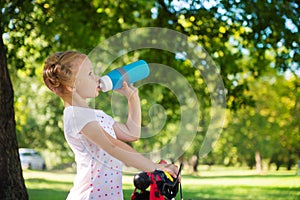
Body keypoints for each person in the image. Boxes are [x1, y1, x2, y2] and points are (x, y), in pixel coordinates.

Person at [42, 51, 179, 200]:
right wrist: (155, 168)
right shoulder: (76, 116)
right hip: (91, 196)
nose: (97, 78)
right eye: (90, 74)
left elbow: (132, 134)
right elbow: (112, 146)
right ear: (72, 86)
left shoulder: (96, 115)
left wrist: (133, 99)